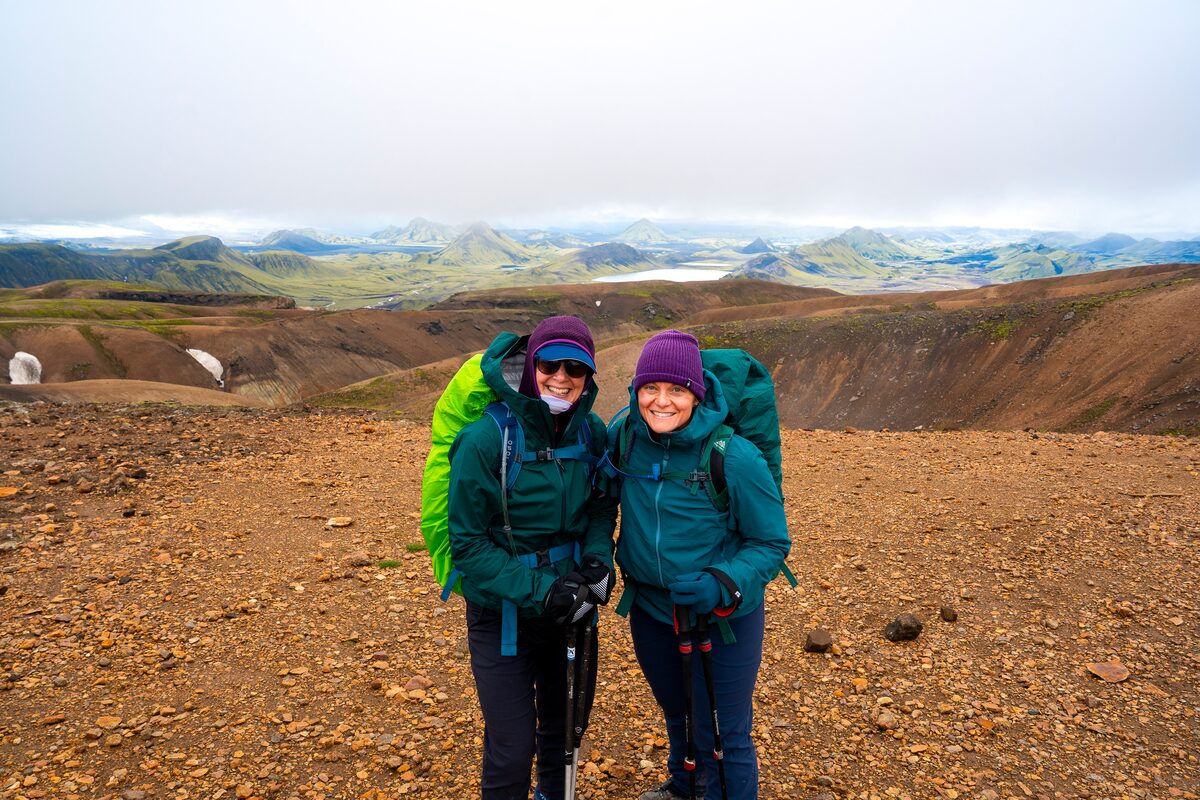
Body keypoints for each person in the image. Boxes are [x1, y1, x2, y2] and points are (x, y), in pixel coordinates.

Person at [611, 330, 791, 800]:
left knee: (727, 734)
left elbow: (772, 542)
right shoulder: (626, 437)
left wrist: (723, 580)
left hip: (722, 617)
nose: (662, 401)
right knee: (679, 713)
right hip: (652, 610)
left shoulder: (733, 456)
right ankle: (685, 786)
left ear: (698, 392)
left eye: (677, 389)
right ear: (636, 390)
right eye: (651, 387)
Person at [447, 315, 617, 800]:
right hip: (502, 614)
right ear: (529, 366)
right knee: (512, 745)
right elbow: (469, 546)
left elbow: (602, 506)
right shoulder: (485, 441)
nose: (561, 377)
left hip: (571, 610)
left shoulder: (592, 433)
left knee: (563, 735)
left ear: (589, 377)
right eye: (549, 364)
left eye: (575, 368)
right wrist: (545, 591)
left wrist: (598, 562)